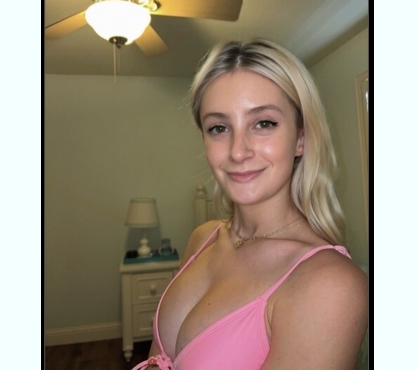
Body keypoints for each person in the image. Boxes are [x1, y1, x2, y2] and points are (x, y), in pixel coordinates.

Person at [134, 38, 368, 370]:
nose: (237, 151)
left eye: (263, 123)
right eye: (219, 128)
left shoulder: (330, 285)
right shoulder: (204, 238)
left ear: (301, 138)